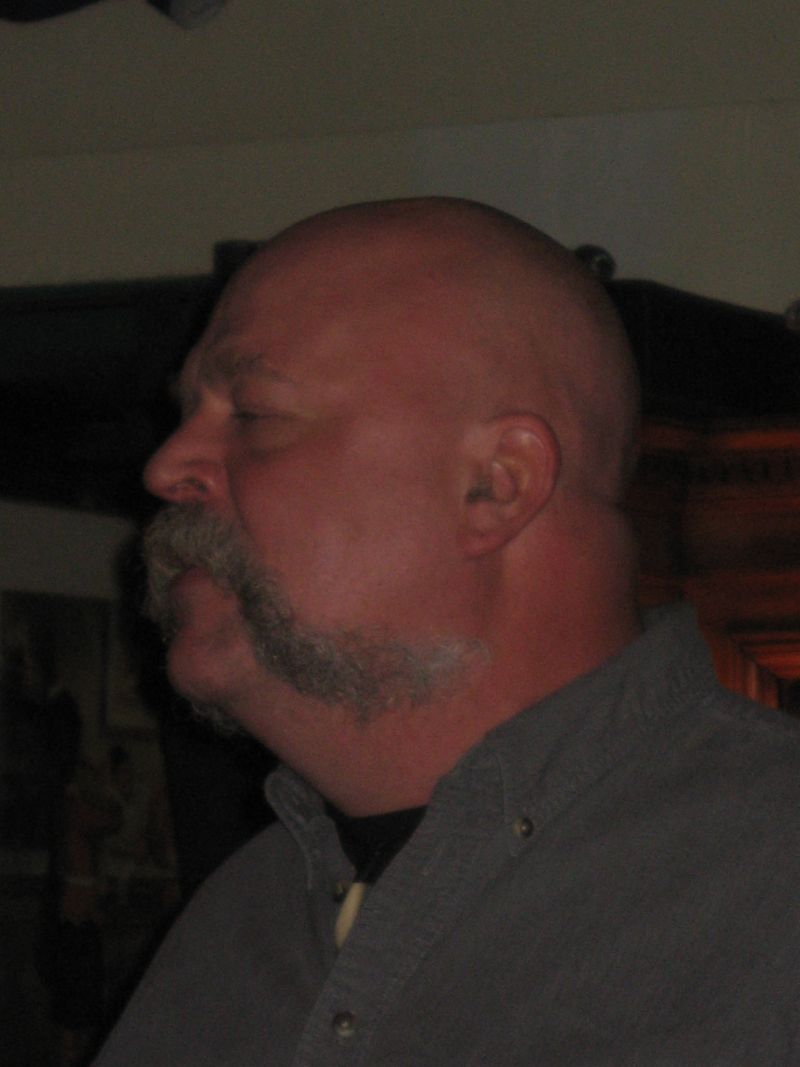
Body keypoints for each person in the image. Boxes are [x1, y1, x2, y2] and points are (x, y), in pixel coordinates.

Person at [93, 198, 800, 1065]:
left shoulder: (773, 887)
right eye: (186, 414)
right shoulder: (234, 929)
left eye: (254, 414)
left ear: (497, 484)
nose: (165, 466)